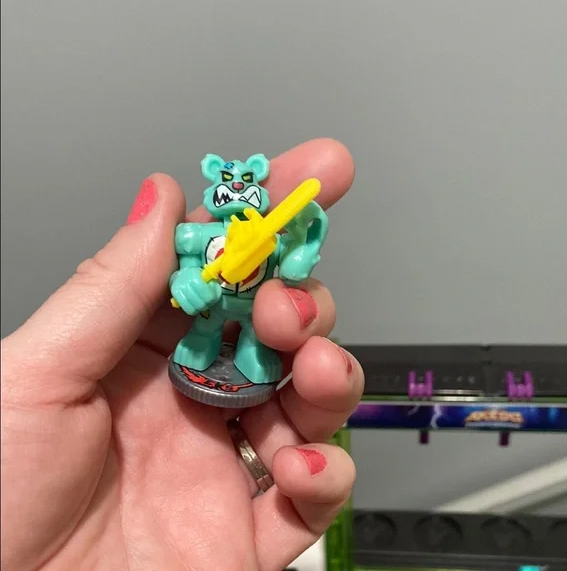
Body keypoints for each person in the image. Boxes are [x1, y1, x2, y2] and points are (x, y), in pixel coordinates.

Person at [1, 138, 365, 571]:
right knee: (203, 334)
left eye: (246, 180)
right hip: (211, 308)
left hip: (255, 313)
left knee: (261, 335)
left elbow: (293, 265)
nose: (237, 186)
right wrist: (186, 283)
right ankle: (200, 349)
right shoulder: (200, 235)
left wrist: (306, 241)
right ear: (214, 183)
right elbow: (185, 267)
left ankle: (251, 353)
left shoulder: (272, 236)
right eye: (228, 179)